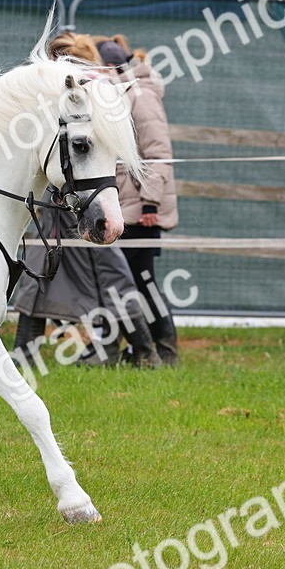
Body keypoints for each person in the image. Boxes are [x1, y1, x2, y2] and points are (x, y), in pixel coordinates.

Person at [12, 32, 161, 366]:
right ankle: (26, 351)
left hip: (86, 201)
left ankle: (142, 351)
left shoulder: (89, 98)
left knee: (109, 274)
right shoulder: (69, 97)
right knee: (42, 266)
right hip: (62, 202)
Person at [95, 35, 180, 364]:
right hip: (125, 204)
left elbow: (159, 153)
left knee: (141, 280)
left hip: (142, 209)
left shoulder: (141, 95)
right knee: (131, 280)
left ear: (109, 67)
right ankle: (141, 350)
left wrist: (150, 203)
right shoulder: (118, 94)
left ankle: (163, 350)